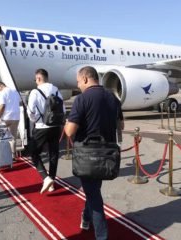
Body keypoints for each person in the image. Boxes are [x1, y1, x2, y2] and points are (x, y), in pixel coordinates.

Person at [64, 66, 124, 240]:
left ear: (84, 79)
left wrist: (68, 122)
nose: (78, 85)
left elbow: (69, 131)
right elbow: (121, 126)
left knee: (94, 197)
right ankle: (85, 217)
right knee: (93, 190)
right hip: (106, 155)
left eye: (77, 82)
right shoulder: (113, 98)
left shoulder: (82, 99)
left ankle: (101, 236)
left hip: (87, 156)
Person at [27, 68, 65, 194]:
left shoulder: (35, 91)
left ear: (38, 78)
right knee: (53, 154)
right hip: (56, 127)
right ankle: (52, 181)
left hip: (41, 127)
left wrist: (37, 120)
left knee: (34, 152)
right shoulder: (56, 89)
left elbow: (31, 111)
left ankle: (46, 177)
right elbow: (63, 109)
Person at [0, 81, 21, 160]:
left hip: (6, 118)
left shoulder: (2, 93)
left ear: (0, 86)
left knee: (2, 137)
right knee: (13, 137)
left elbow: (2, 106)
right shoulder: (15, 91)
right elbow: (19, 102)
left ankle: (4, 156)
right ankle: (13, 155)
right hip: (16, 116)